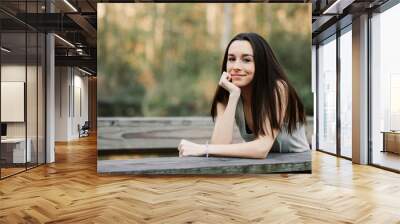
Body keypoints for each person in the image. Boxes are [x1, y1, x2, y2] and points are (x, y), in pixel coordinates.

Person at [178, 32, 310, 159]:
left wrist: (204, 149)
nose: (236, 66)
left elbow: (262, 148)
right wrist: (234, 96)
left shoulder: (277, 89)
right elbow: (219, 146)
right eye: (231, 59)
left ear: (261, 63)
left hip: (297, 169)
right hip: (262, 170)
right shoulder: (226, 94)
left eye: (246, 60)